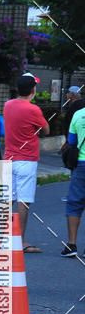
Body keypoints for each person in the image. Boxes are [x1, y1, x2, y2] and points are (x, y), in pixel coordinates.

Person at [3, 73, 49, 253]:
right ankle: (20, 241)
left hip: (8, 157)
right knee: (24, 201)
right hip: (26, 160)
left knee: (8, 199)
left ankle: (2, 237)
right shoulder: (33, 109)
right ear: (33, 90)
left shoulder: (8, 105)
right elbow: (46, 130)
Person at [61, 104, 85, 257]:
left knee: (75, 203)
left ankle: (71, 245)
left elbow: (72, 140)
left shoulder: (78, 114)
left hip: (81, 164)